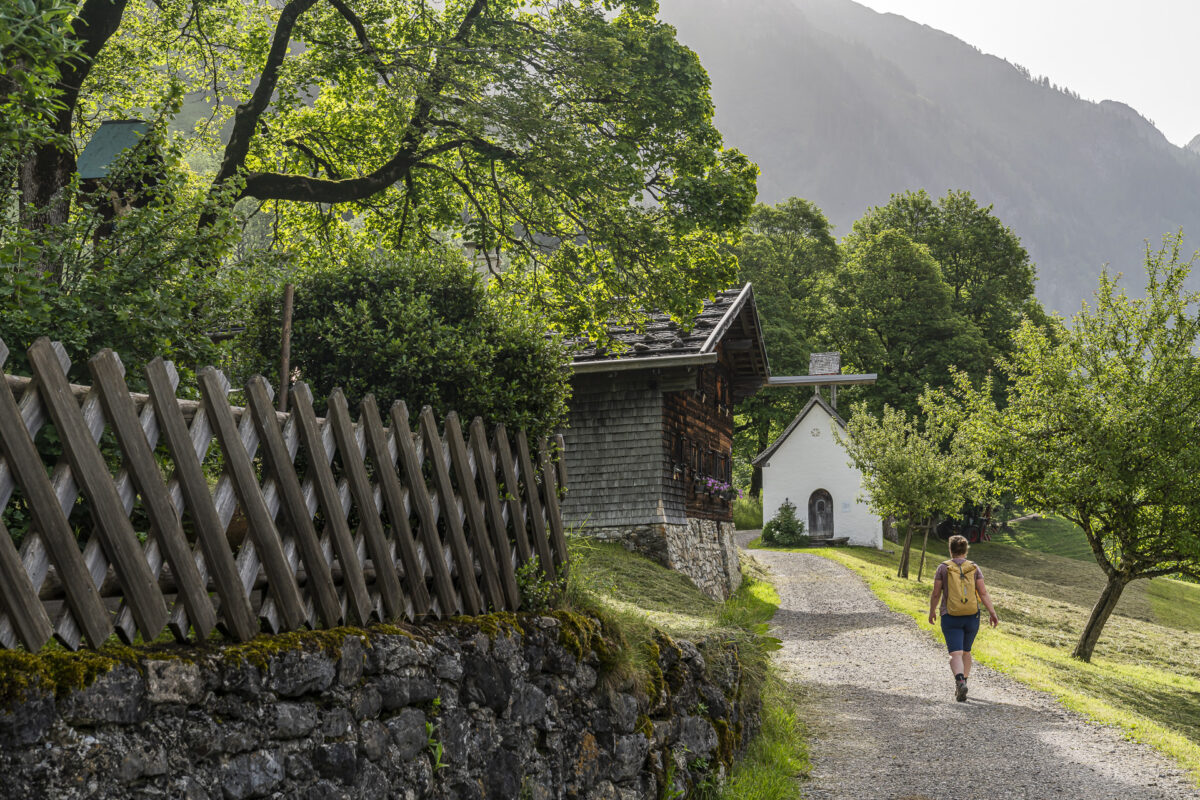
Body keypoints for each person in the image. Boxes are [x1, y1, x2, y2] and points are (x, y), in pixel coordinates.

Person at [928, 534, 999, 701]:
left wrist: (932, 610)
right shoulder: (974, 568)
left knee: (955, 653)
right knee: (966, 652)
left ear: (950, 550)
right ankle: (964, 681)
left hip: (950, 616)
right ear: (966, 550)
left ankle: (959, 681)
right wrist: (992, 612)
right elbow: (982, 592)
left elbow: (936, 593)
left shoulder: (943, 568)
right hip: (971, 616)